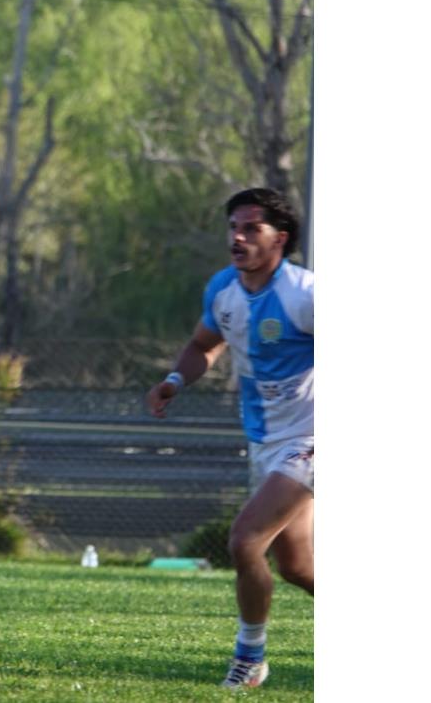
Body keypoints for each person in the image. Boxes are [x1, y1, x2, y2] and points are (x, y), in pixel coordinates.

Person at [145, 187, 313, 689]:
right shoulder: (224, 290)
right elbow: (204, 344)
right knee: (300, 568)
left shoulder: (305, 295)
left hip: (314, 436)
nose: (237, 238)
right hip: (266, 442)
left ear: (279, 239)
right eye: (233, 228)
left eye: (251, 229)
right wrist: (175, 381)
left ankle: (249, 658)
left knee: (244, 540)